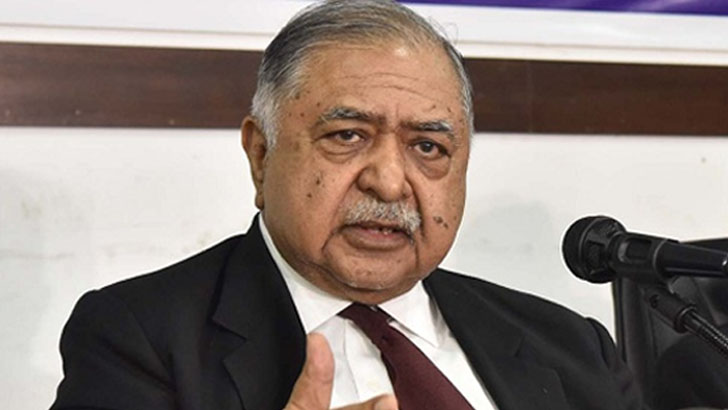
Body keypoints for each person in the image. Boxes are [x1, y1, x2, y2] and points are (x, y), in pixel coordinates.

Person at [50, 1, 644, 409]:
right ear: (261, 155)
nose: (389, 183)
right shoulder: (140, 339)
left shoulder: (571, 345)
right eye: (347, 136)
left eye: (427, 146)